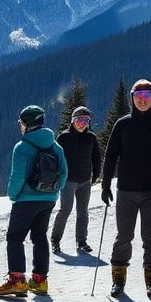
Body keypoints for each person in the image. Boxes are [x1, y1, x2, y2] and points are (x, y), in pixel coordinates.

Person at [101, 79, 151, 298]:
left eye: (147, 97)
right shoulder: (122, 124)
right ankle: (118, 280)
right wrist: (106, 185)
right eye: (138, 97)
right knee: (124, 235)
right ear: (132, 98)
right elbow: (111, 155)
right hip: (126, 190)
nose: (143, 101)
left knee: (150, 236)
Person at [0, 105, 68, 296]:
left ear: (27, 124)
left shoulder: (22, 147)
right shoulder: (56, 146)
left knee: (15, 238)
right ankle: (40, 282)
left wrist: (13, 195)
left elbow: (16, 176)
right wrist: (53, 192)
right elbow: (64, 174)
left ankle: (17, 281)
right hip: (48, 200)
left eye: (21, 123)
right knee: (40, 237)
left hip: (26, 200)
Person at [50, 105, 101, 255]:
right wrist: (56, 176)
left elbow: (96, 157)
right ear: (72, 121)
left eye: (85, 120)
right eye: (79, 120)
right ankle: (55, 240)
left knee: (83, 212)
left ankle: (81, 241)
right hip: (68, 180)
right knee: (65, 209)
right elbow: (56, 158)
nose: (82, 123)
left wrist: (96, 174)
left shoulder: (91, 137)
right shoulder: (63, 137)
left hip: (85, 180)